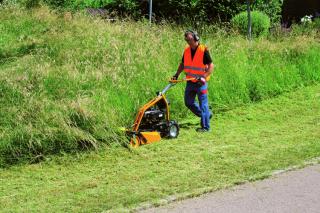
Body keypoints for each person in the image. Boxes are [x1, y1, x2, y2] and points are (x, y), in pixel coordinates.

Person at [172, 30, 214, 132]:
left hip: (201, 83)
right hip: (190, 81)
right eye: (186, 40)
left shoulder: (203, 50)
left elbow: (211, 66)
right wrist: (176, 74)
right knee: (188, 102)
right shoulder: (186, 51)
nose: (188, 41)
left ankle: (205, 127)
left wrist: (204, 77)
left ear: (196, 38)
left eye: (190, 39)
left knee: (203, 104)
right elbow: (182, 64)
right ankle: (207, 115)